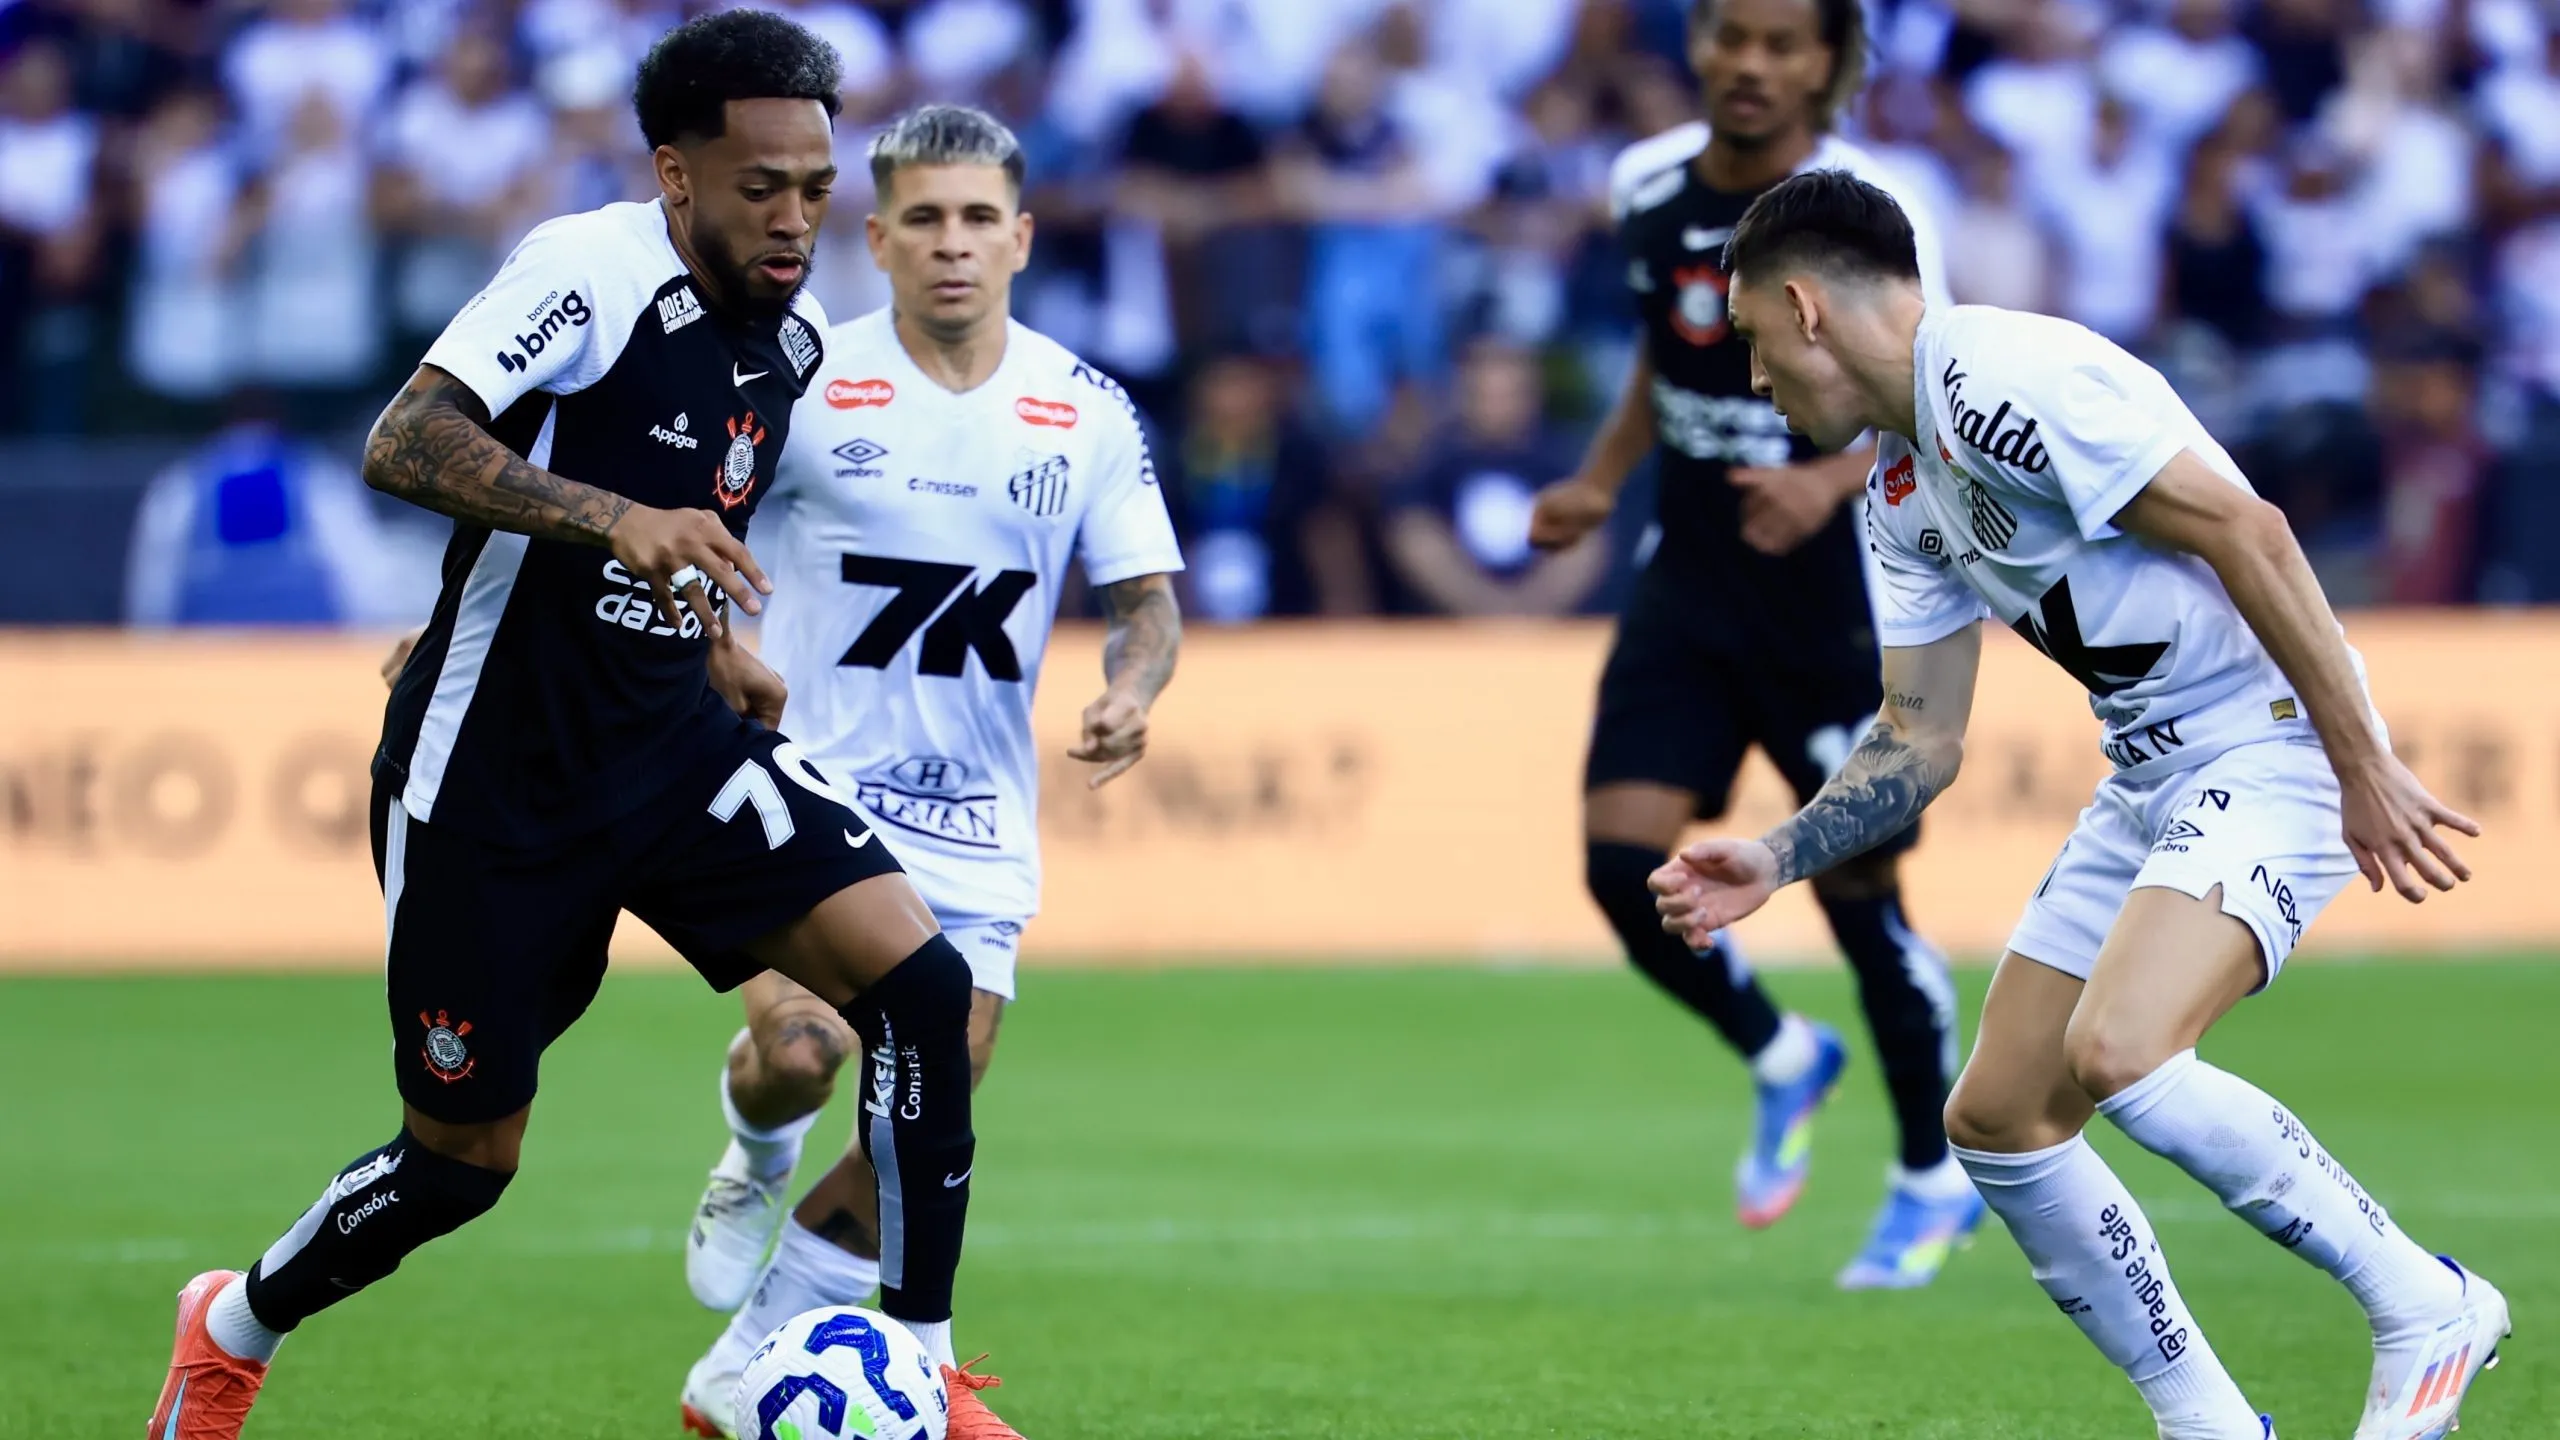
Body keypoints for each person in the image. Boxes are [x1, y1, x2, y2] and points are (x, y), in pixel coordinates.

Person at [147, 16, 1022, 1440]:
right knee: (460, 1164)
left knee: (923, 994)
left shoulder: (784, 340)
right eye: (761, 189)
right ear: (676, 177)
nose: (799, 219)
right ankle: (230, 1326)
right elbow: (407, 440)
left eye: (815, 185)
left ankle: (915, 1360)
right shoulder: (588, 270)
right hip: (497, 784)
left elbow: (695, 522)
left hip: (674, 748)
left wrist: (723, 642)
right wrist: (616, 522)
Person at [1652, 168, 2510, 1440]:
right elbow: (1920, 736)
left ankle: (2420, 1301)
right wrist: (1777, 857)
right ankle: (2207, 1423)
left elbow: (2250, 532)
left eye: (1755, 345)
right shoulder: (1898, 485)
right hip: (2153, 771)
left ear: (1804, 306)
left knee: (2122, 1054)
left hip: (2267, 743)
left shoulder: (2003, 378)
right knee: (1995, 1121)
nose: (1758, 381)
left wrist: (2360, 764)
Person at [674, 104, 1185, 1437]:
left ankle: (764, 1348)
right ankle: (757, 1150)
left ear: (1019, 239)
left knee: (926, 1101)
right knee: (802, 1046)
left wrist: (1131, 690)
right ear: (878, 238)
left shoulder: (1082, 409)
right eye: (925, 220)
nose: (952, 246)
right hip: (807, 795)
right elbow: (683, 531)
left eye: (978, 221)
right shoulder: (797, 380)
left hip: (977, 819)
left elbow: (1147, 601)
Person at [1526, 0, 1978, 1287]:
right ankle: (1784, 1057)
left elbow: (1927, 387)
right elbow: (1658, 358)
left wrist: (1825, 487)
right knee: (1622, 867)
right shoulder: (1644, 185)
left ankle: (1927, 1175)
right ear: (1701, 47)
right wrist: (1602, 482)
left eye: (1785, 43)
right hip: (1690, 586)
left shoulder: (1871, 210)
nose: (1752, 63)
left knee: (1857, 901)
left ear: (1829, 63)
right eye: (1733, 35)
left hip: (1839, 597)